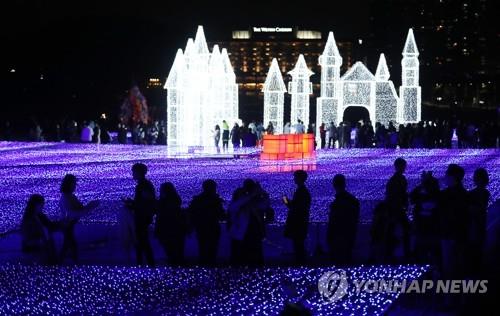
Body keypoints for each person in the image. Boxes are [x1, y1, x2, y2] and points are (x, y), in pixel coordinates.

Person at [228, 179, 274, 266]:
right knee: (242, 256)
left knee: (251, 256)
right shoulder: (238, 204)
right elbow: (236, 206)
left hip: (251, 233)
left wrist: (260, 192)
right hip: (242, 234)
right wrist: (256, 193)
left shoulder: (253, 203)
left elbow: (265, 204)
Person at [59, 174, 99, 263]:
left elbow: (79, 209)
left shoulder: (70, 196)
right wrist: (90, 207)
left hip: (69, 223)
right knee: (70, 243)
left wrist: (89, 207)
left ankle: (65, 261)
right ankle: (69, 261)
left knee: (68, 243)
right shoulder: (66, 197)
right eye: (74, 183)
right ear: (69, 184)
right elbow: (72, 212)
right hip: (67, 223)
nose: (75, 185)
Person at [438, 164, 468, 279]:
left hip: (449, 235)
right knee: (459, 267)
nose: (444, 176)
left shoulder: (446, 195)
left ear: (452, 177)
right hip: (460, 235)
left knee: (450, 268)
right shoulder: (465, 194)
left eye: (447, 174)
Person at [124, 163, 156, 266]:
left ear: (139, 172)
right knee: (142, 241)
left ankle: (145, 264)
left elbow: (145, 202)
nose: (132, 174)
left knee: (142, 241)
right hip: (143, 216)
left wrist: (132, 204)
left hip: (142, 217)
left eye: (134, 172)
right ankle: (145, 264)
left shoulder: (143, 185)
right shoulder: (144, 184)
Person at [189, 179, 225, 265]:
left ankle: (204, 266)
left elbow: (191, 213)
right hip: (213, 227)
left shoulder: (197, 200)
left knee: (203, 247)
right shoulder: (216, 200)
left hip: (201, 228)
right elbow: (221, 215)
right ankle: (210, 266)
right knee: (212, 249)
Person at [327, 174, 360, 265]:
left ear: (334, 184)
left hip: (339, 233)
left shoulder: (338, 201)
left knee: (339, 259)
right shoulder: (352, 200)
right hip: (348, 232)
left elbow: (334, 219)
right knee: (346, 258)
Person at [410, 171, 440, 264]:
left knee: (425, 245)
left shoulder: (428, 190)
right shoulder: (432, 191)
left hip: (427, 225)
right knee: (425, 245)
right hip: (425, 225)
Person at [385, 157, 410, 261]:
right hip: (396, 208)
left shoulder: (396, 179)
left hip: (396, 208)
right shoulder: (398, 180)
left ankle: (392, 253)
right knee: (401, 230)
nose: (404, 168)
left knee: (396, 230)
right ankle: (398, 253)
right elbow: (398, 194)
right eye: (403, 166)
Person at [466, 168, 490, 275]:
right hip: (479, 224)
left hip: (474, 225)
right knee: (478, 249)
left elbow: (475, 209)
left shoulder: (474, 194)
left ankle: (474, 272)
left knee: (474, 250)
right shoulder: (484, 193)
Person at [155, 182, 186, 265]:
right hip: (178, 229)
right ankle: (179, 268)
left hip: (167, 230)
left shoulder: (162, 203)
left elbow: (160, 217)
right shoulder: (176, 201)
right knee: (178, 251)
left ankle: (174, 267)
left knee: (170, 251)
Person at [21, 194, 58, 264]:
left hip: (45, 243)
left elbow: (49, 225)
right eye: (41, 204)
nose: (43, 206)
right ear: (35, 204)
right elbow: (28, 234)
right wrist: (40, 239)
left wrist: (60, 223)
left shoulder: (40, 215)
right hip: (36, 246)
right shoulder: (29, 218)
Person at [284, 170, 311, 264]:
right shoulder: (303, 191)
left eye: (295, 177)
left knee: (298, 245)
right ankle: (301, 262)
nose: (294, 179)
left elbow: (294, 208)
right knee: (299, 245)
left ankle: (300, 263)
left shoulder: (301, 192)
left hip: (298, 224)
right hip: (301, 223)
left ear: (299, 178)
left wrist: (286, 202)